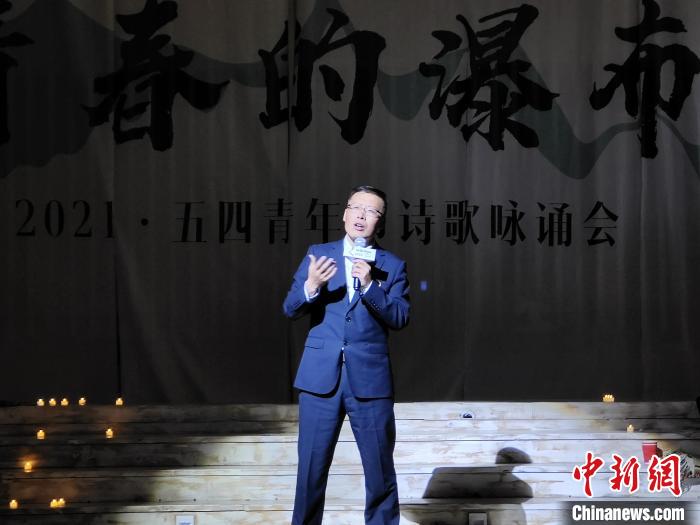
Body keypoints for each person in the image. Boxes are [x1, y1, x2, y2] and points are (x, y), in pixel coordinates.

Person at [283, 185, 410, 525]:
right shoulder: (319, 255)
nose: (362, 216)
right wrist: (311, 286)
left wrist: (370, 286)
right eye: (356, 207)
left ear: (380, 222)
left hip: (370, 381)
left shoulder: (392, 265)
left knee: (380, 470)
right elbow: (290, 307)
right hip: (319, 379)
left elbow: (400, 317)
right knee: (310, 470)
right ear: (344, 214)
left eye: (372, 211)